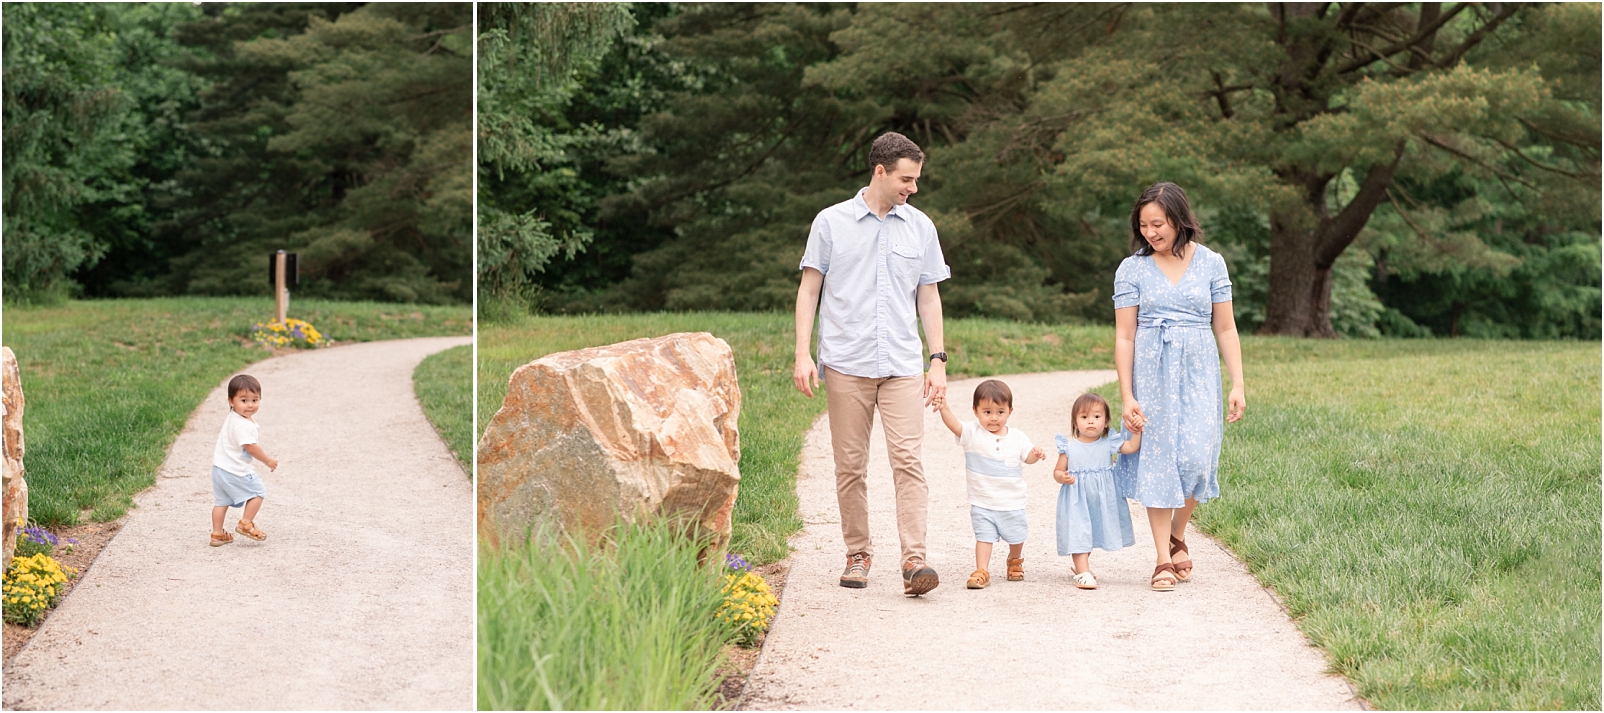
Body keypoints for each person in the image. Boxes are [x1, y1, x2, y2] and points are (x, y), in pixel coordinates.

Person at [794, 131, 950, 596]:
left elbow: (929, 295)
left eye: (917, 180)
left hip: (901, 362)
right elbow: (809, 290)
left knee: (908, 461)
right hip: (845, 362)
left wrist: (937, 359)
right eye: (907, 178)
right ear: (880, 171)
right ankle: (858, 553)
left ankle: (914, 561)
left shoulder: (920, 226)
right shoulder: (830, 222)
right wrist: (803, 353)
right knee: (850, 466)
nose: (913, 188)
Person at [1112, 182, 1245, 591]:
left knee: (1196, 456)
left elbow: (1224, 326)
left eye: (1159, 224)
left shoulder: (1211, 263)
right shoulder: (1131, 268)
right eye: (1144, 225)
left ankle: (1177, 533)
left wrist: (1238, 381)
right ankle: (1161, 558)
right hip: (1150, 371)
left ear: (1179, 219)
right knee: (1157, 458)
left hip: (1200, 370)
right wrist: (1127, 394)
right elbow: (1125, 336)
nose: (1151, 232)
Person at [935, 380, 1048, 589]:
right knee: (984, 537)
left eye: (1000, 412)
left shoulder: (1017, 437)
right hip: (982, 501)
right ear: (975, 411)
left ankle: (1015, 560)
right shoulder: (972, 433)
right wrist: (944, 407)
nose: (994, 418)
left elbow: (1028, 457)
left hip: (1012, 501)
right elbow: (954, 425)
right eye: (987, 412)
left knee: (1016, 535)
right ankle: (982, 570)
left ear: (1010, 411)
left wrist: (1036, 454)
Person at [1052, 393, 1141, 590]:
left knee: (1092, 532)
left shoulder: (1108, 444)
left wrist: (1137, 431)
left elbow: (1133, 447)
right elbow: (1057, 471)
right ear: (1075, 422)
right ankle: (1083, 571)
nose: (1090, 421)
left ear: (1106, 421)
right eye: (1084, 417)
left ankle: (1081, 567)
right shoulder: (1069, 448)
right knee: (1079, 532)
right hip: (1077, 499)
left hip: (1102, 499)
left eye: (1096, 416)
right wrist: (1062, 477)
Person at [209, 374, 279, 546]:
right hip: (236, 471)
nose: (250, 405)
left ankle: (217, 534)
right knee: (258, 492)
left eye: (255, 400)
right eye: (244, 400)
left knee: (221, 502)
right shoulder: (244, 425)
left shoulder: (234, 416)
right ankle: (246, 523)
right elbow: (251, 447)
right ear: (231, 401)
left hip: (219, 470)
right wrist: (267, 460)